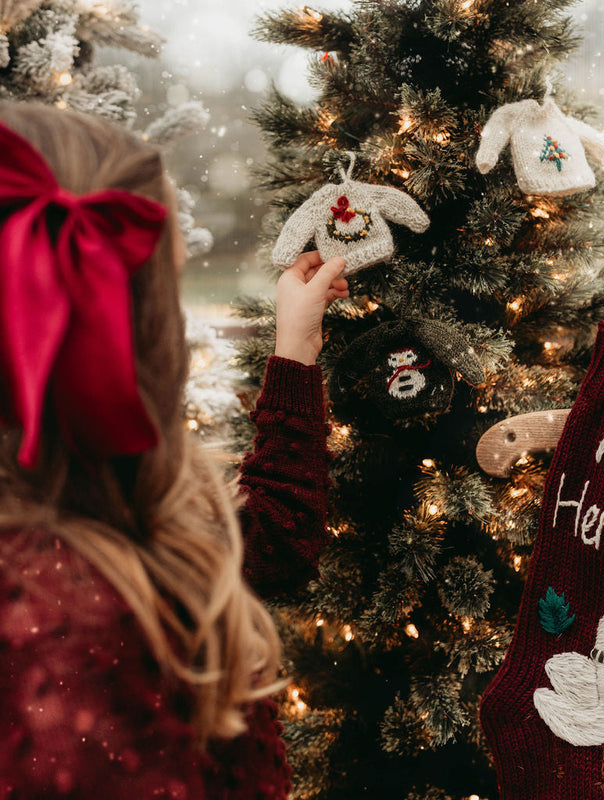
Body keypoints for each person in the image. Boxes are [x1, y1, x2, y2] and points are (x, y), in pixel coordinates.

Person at [0, 101, 348, 798]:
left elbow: (270, 542)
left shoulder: (113, 517)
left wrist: (296, 348)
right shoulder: (73, 641)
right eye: (172, 285)